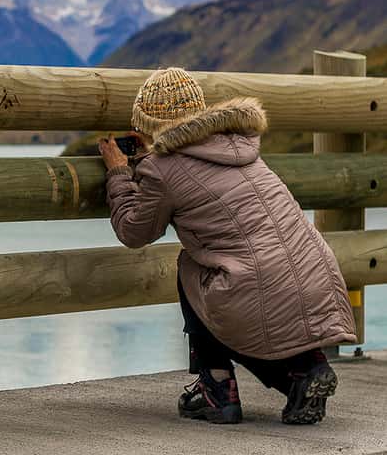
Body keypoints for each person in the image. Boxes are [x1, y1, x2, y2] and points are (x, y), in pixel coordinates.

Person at [98, 67, 356, 425]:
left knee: (195, 268)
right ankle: (307, 370)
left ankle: (217, 389)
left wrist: (118, 173)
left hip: (258, 288)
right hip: (318, 280)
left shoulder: (160, 169)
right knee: (254, 294)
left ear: (144, 125)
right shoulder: (238, 145)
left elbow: (133, 232)